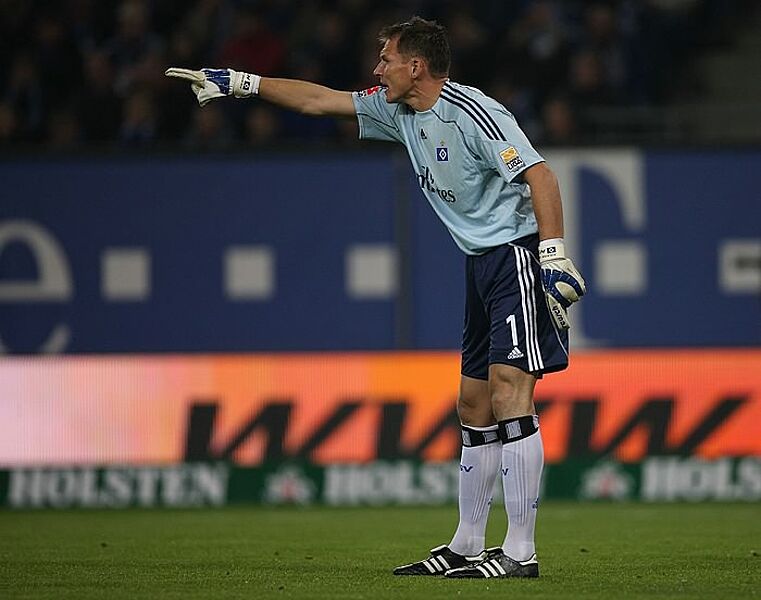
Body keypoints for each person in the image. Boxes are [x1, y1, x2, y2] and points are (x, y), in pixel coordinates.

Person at [166, 16, 585, 579]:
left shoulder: (473, 114)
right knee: (473, 405)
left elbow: (541, 176)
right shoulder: (398, 111)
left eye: (385, 58)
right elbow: (318, 101)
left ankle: (519, 553)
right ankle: (466, 545)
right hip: (479, 264)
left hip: (515, 255)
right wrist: (243, 83)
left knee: (511, 393)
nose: (376, 68)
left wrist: (552, 256)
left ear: (416, 65)